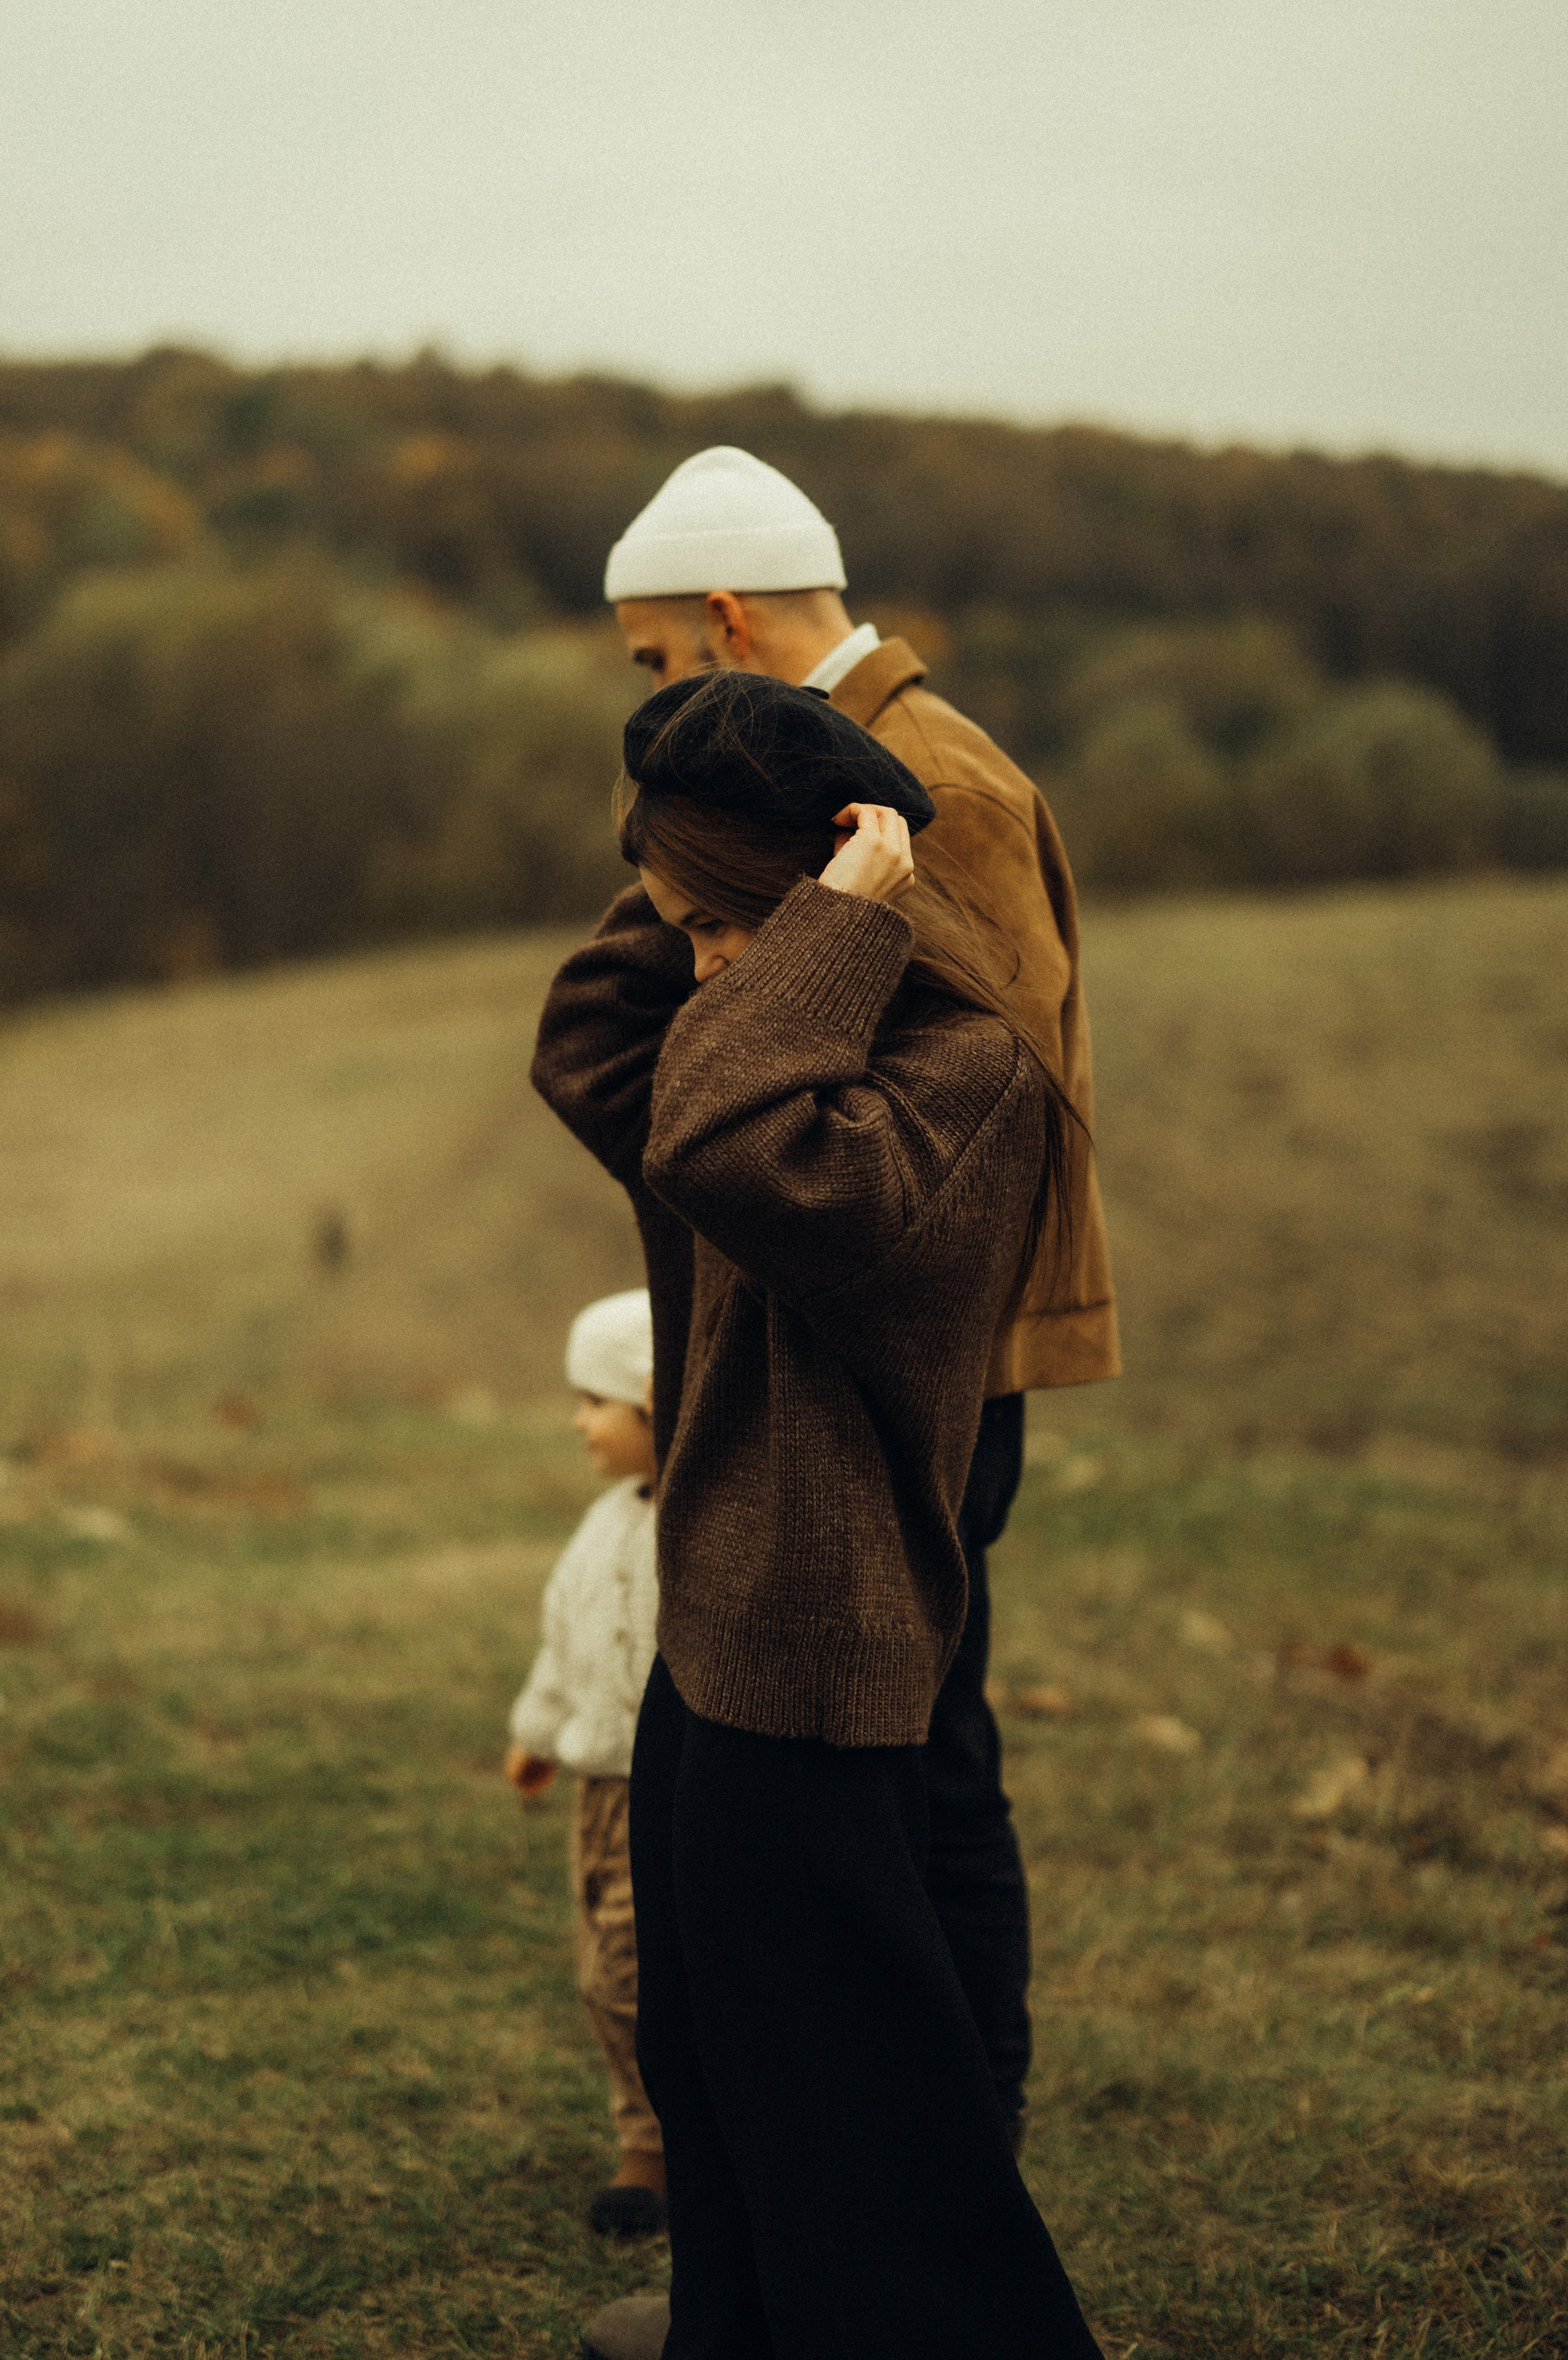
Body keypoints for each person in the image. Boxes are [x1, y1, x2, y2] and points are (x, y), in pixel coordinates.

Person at [534, 671, 1104, 2360]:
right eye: (694, 937)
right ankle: (735, 2328)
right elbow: (586, 1041)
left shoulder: (956, 1076)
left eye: (725, 933)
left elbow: (720, 1138)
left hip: (818, 1633)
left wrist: (825, 925)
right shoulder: (775, 1029)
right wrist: (691, 864)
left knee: (864, 2107)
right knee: (715, 2062)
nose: (705, 970)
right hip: (715, 1618)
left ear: (823, 920)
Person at [601, 444, 1121, 2149]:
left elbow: (978, 1081)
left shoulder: (931, 786)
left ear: (728, 620)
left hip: (923, 1344)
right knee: (898, 1745)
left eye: (661, 666)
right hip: (855, 1323)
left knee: (922, 1747)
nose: (660, 701)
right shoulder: (863, 768)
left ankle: (959, 2122)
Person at [505, 1289, 665, 2238]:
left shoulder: (694, 1528)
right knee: (600, 1971)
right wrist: (538, 1731)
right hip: (597, 1795)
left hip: (666, 1796)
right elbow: (564, 1643)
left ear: (658, 1402)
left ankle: (676, 2140)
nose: (579, 1421)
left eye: (594, 1399)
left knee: (628, 1975)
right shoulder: (602, 1528)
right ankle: (645, 2139)